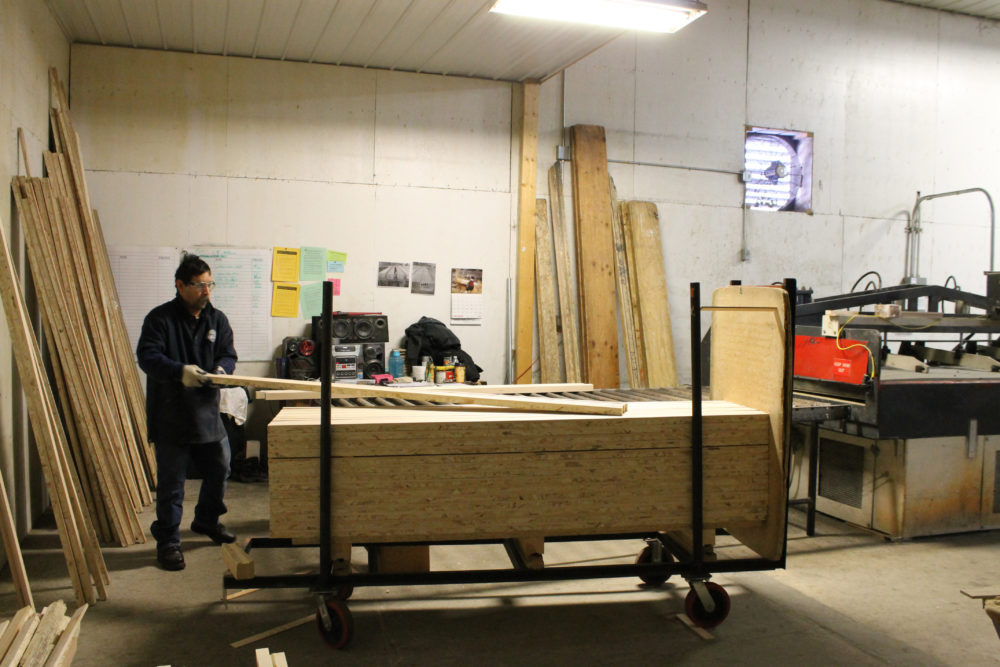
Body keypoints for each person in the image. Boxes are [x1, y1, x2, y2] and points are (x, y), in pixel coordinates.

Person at [137, 253, 238, 571]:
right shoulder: (160, 319)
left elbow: (228, 353)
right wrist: (180, 371)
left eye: (209, 284)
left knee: (220, 470)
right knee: (172, 484)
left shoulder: (217, 319)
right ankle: (168, 541)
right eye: (199, 285)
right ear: (180, 286)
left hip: (207, 413)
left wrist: (222, 368)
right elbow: (147, 357)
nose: (206, 291)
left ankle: (207, 520)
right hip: (171, 414)